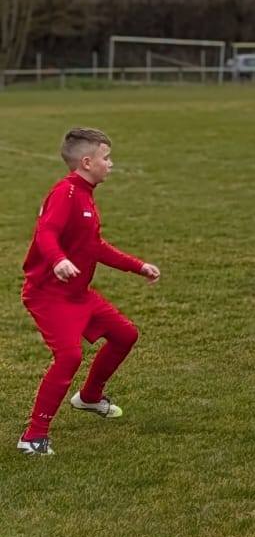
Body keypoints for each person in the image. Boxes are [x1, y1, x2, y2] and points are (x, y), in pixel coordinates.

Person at [17, 128, 161, 456]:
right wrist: (58, 260)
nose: (110, 164)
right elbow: (46, 233)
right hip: (48, 294)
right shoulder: (65, 193)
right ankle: (33, 436)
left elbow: (94, 246)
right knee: (69, 356)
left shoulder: (85, 194)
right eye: (106, 158)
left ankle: (90, 397)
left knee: (125, 335)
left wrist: (138, 266)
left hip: (77, 293)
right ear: (86, 161)